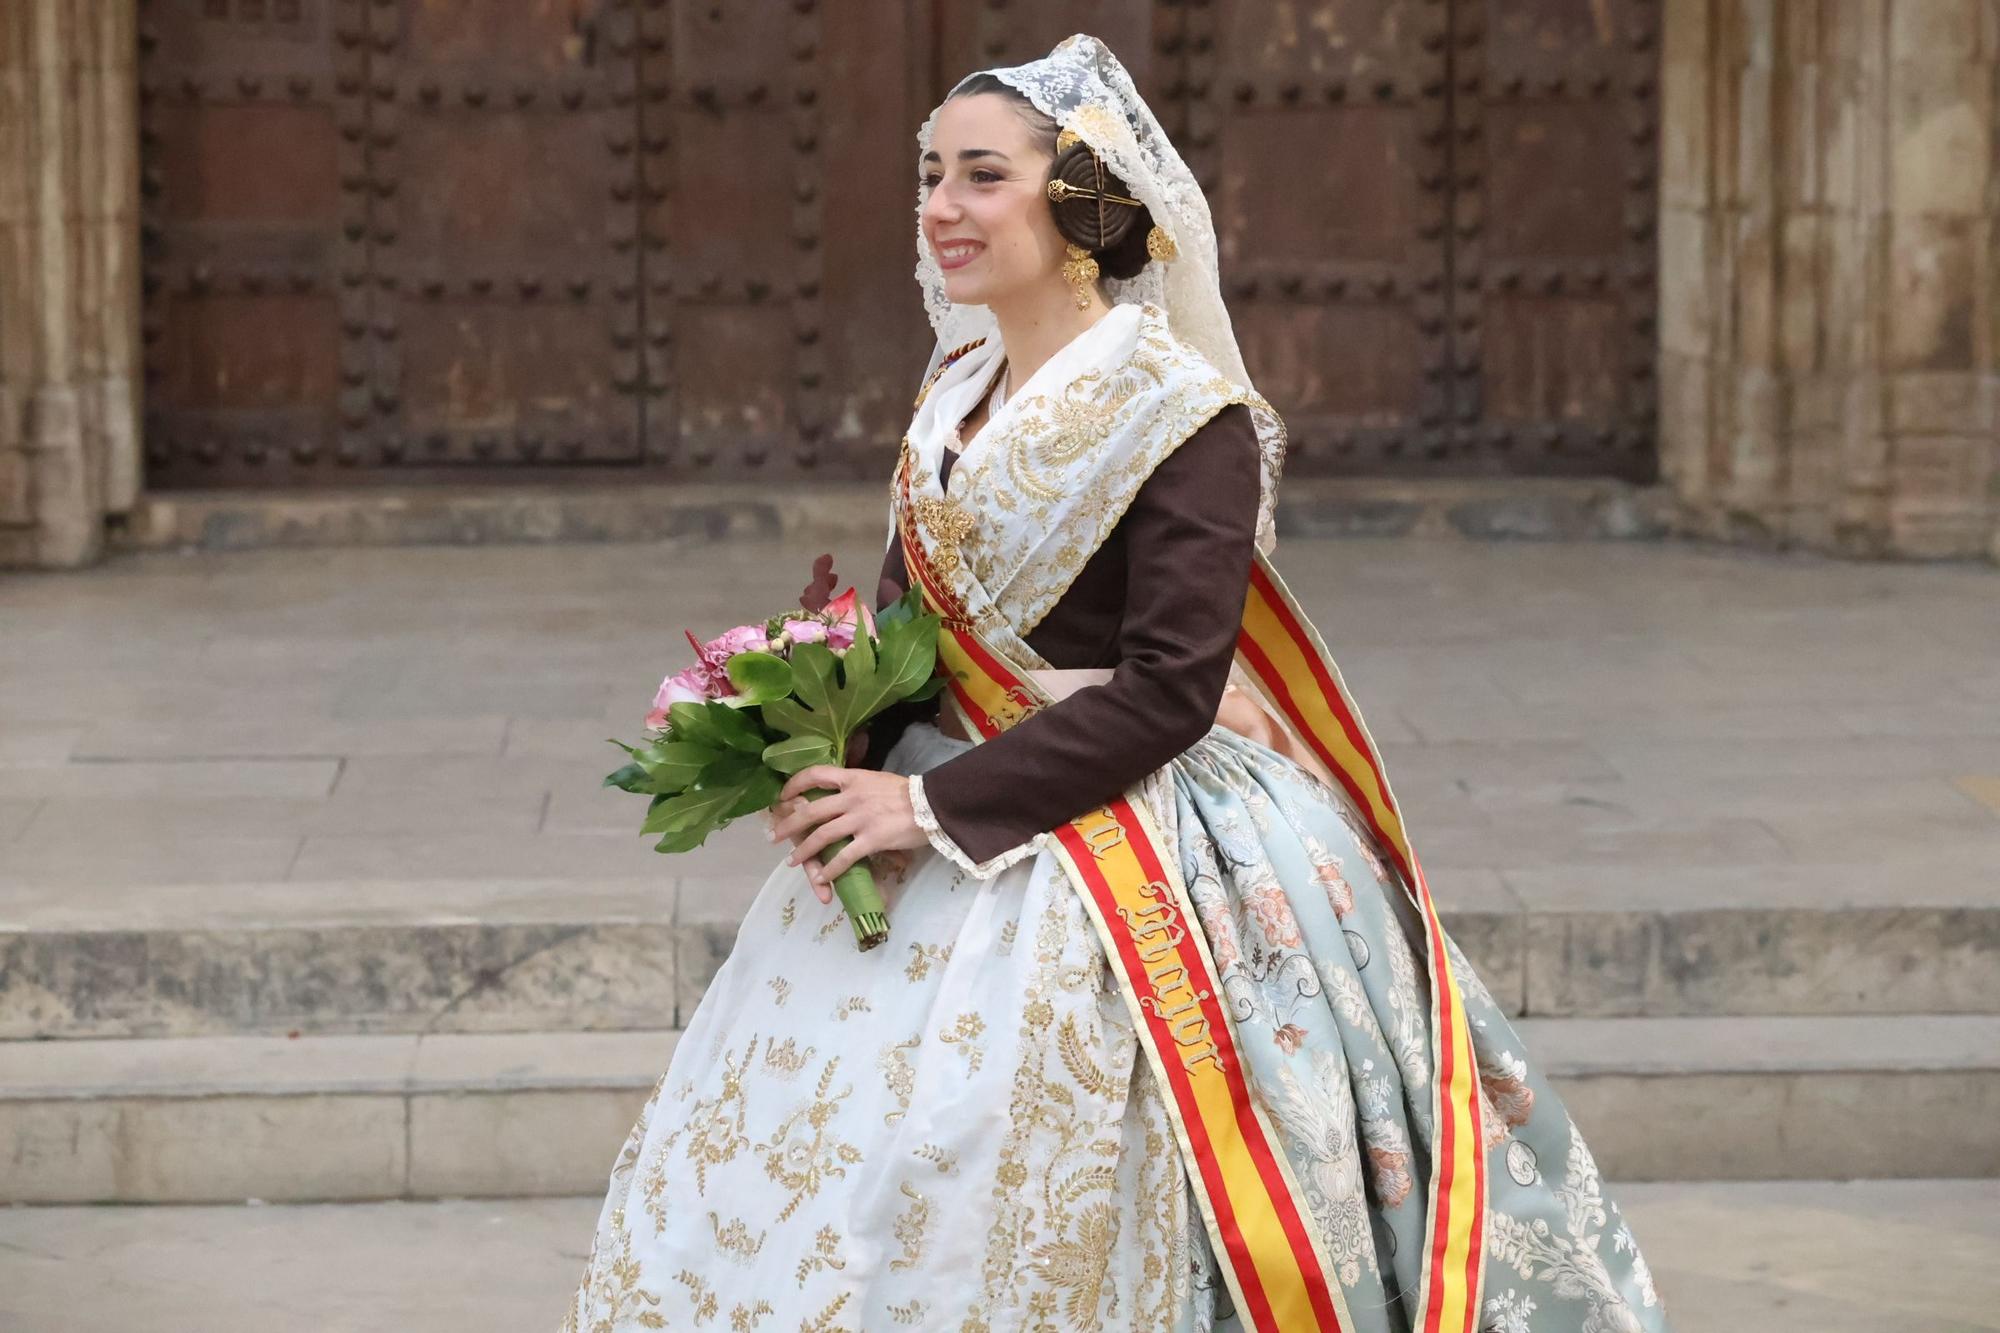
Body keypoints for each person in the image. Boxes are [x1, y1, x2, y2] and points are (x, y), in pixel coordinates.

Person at [562, 35, 1669, 1333]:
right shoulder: (955, 390)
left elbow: (1172, 687)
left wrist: (924, 811)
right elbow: (916, 627)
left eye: (982, 175)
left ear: (1079, 198)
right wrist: (825, 744)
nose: (941, 206)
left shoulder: (1183, 413)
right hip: (930, 803)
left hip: (1134, 839)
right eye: (931, 174)